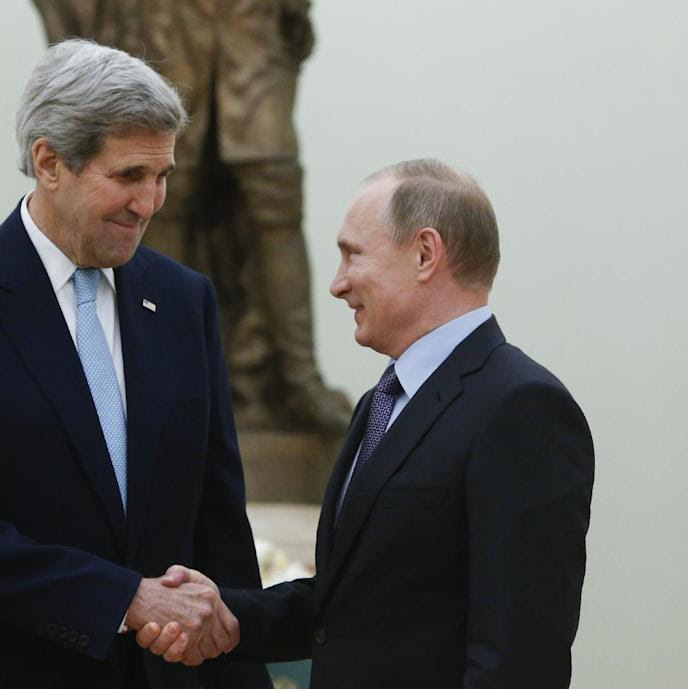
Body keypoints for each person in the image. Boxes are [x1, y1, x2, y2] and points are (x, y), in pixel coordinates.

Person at [0, 39, 272, 689]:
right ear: (49, 162)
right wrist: (123, 598)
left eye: (162, 176)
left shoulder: (184, 301)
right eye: (128, 176)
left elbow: (218, 522)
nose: (149, 202)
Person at [140, 159, 596, 688]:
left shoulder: (522, 408)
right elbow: (350, 605)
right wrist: (227, 616)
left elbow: (519, 656)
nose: (337, 284)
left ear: (425, 254)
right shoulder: (381, 402)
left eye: (352, 254)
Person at [30, 0, 352, 432]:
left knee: (275, 201)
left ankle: (299, 377)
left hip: (254, 40)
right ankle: (159, 377)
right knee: (164, 203)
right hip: (166, 34)